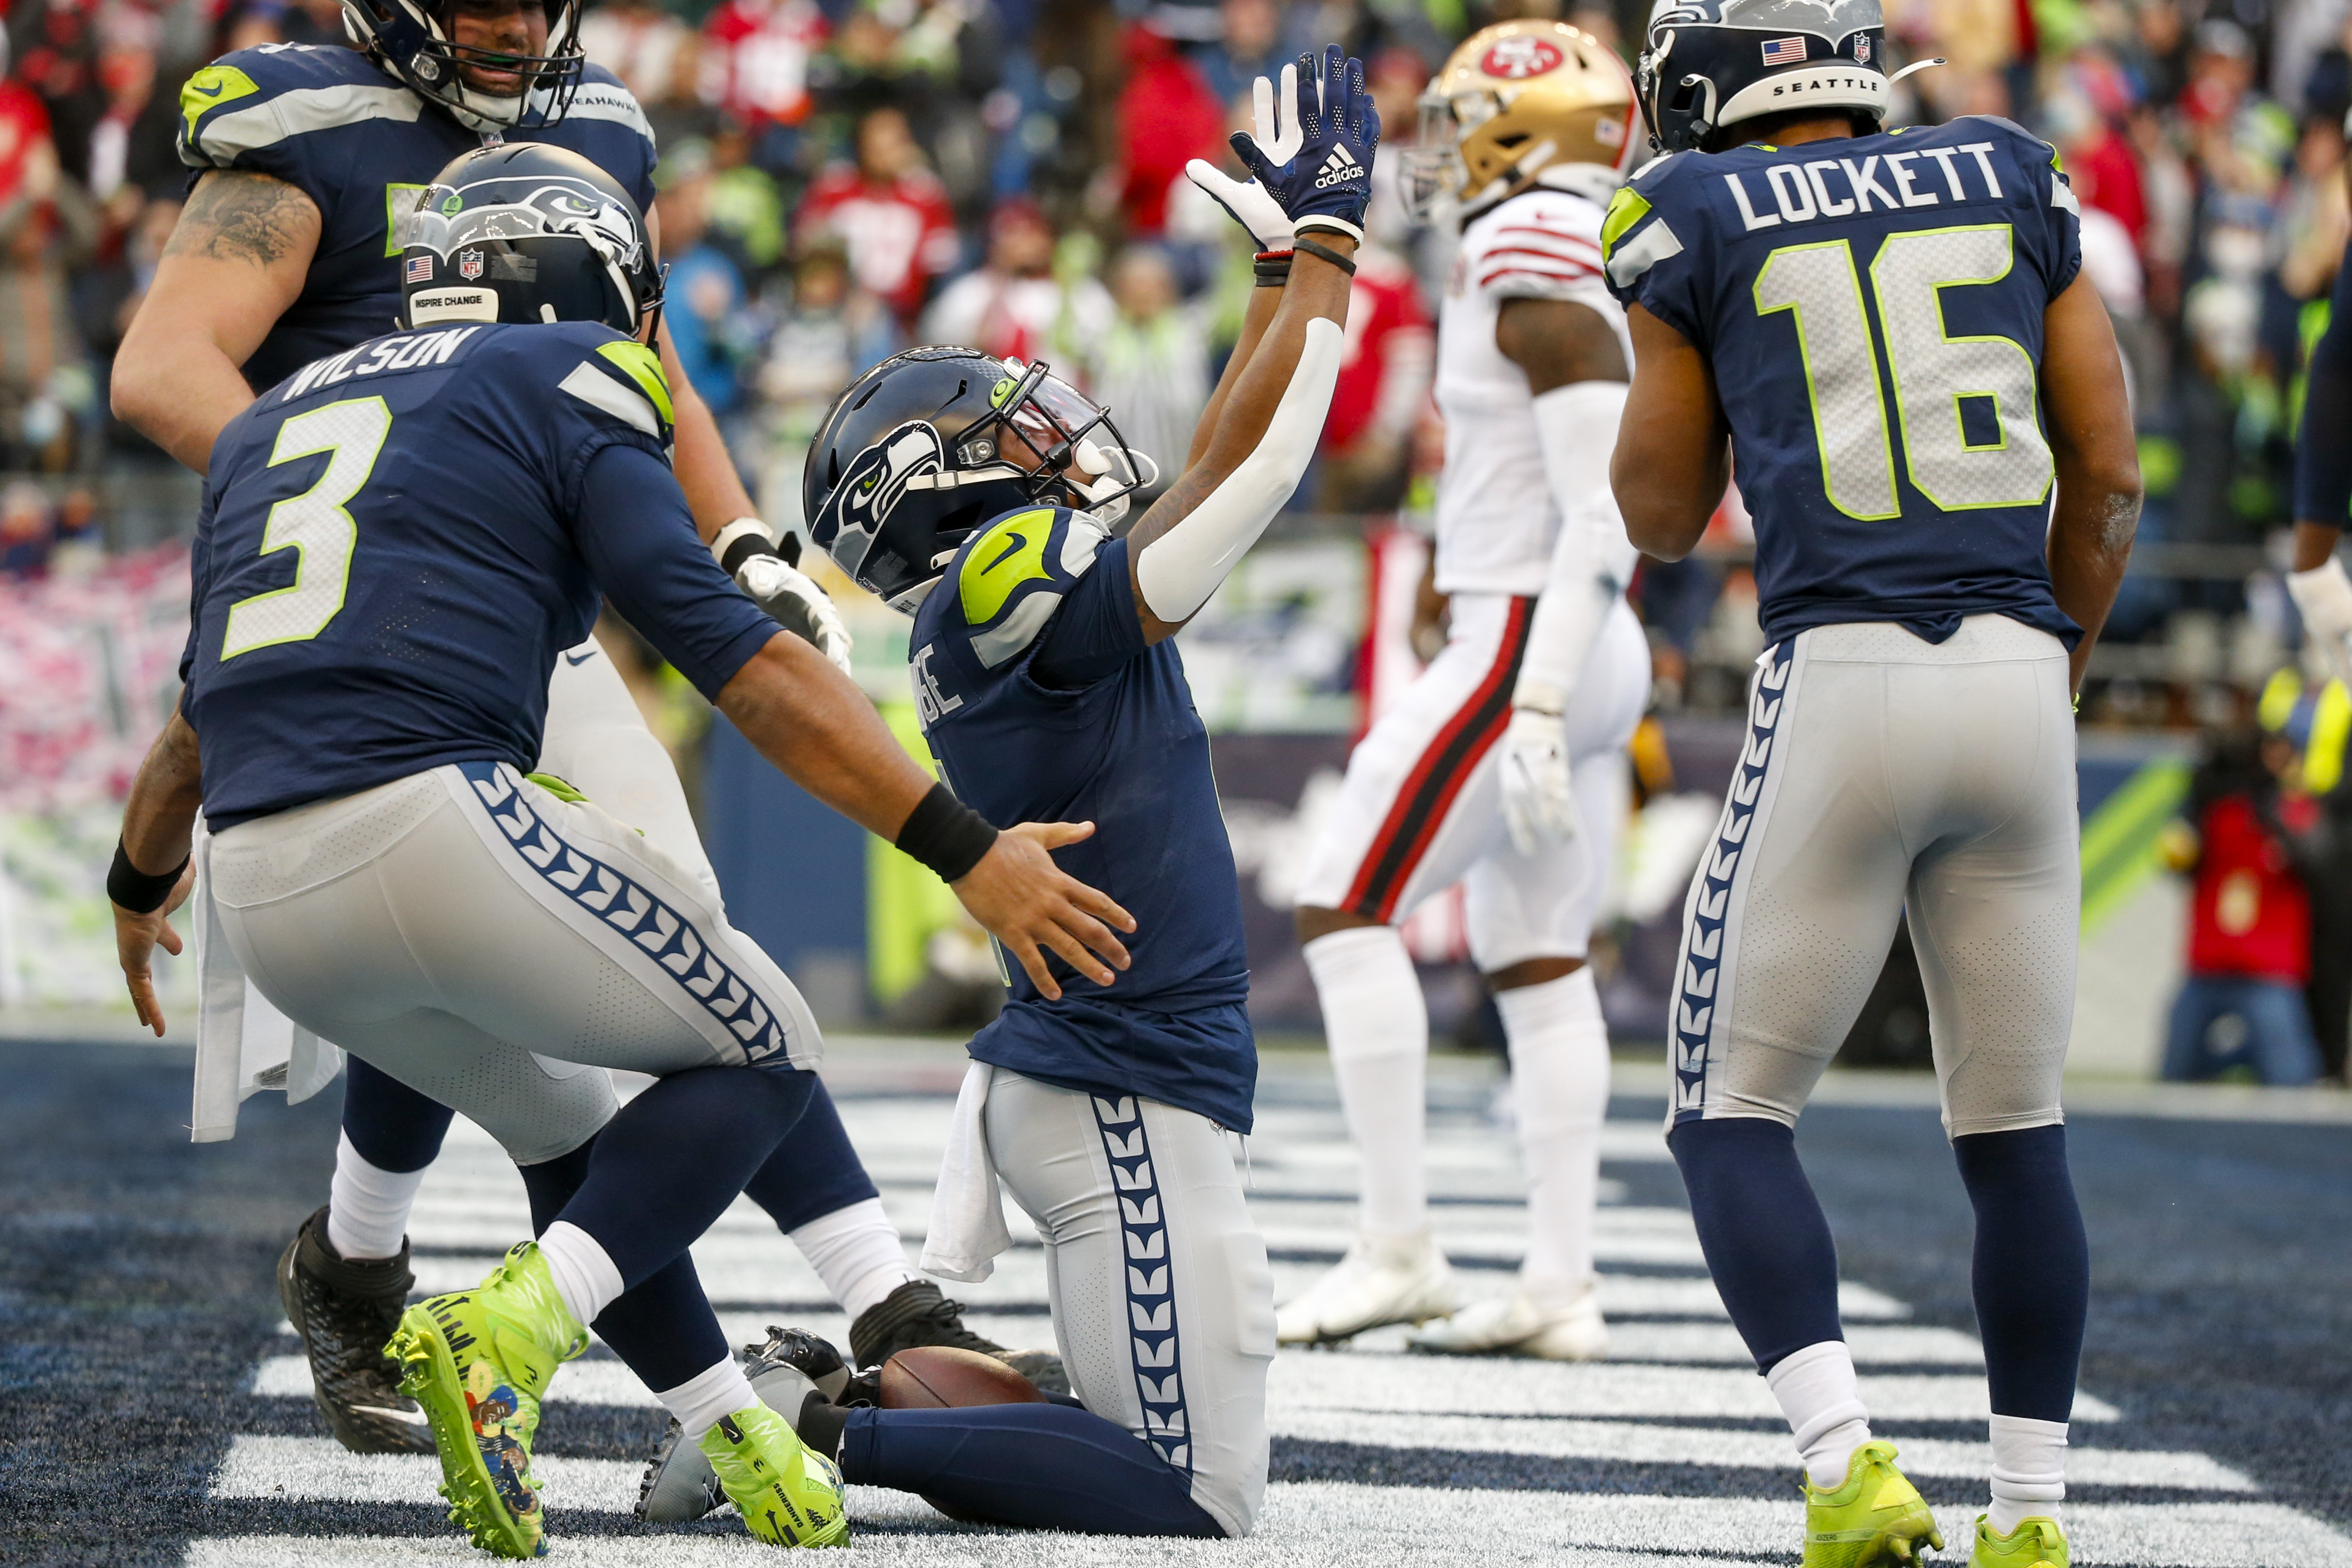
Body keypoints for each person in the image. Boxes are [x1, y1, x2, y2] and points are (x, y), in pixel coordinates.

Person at [108, 144, 1132, 1559]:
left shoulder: (275, 415)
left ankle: (731, 1426)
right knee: (767, 1035)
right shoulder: (567, 373)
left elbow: (184, 735)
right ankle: (506, 1334)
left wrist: (133, 883)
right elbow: (738, 664)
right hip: (427, 820)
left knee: (566, 1132)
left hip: (266, 895)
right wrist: (963, 850)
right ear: (594, 280)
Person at [667, 46, 1375, 1538]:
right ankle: (800, 1428)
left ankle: (828, 1389)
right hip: (1119, 1085)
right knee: (1195, 1493)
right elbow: (1237, 493)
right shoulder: (1004, 579)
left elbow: (1204, 471)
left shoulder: (991, 597)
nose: (1046, 432)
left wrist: (1272, 274)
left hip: (1106, 1073)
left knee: (1139, 1437)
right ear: (943, 493)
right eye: (1000, 434)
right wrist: (1320, 255)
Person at [1602, 0, 2142, 1561]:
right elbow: (2106, 473)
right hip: (2020, 676)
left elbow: (1654, 509)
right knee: (2018, 1129)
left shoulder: (1688, 205)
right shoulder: (2010, 164)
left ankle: (1846, 1464)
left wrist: (1677, 324)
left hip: (1843, 667)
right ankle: (2030, 1519)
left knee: (1728, 1114)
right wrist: (2059, 658)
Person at [1275, 21, 1650, 1361]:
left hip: (1529, 638)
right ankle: (1559, 1280)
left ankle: (1396, 1244)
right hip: (1564, 631)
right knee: (1535, 956)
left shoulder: (1524, 241)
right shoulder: (1577, 232)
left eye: (1460, 119)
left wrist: (1536, 693)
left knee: (1339, 894)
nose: (1437, 149)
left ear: (1518, 128)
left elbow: (1599, 507)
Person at [2159, 725, 2324, 1085]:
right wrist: (2194, 810)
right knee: (2175, 1072)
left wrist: (2272, 813)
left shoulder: (2296, 812)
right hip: (2208, 966)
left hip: (2269, 971)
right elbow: (2176, 863)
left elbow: (2316, 862)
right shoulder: (2219, 812)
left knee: (2290, 1079)